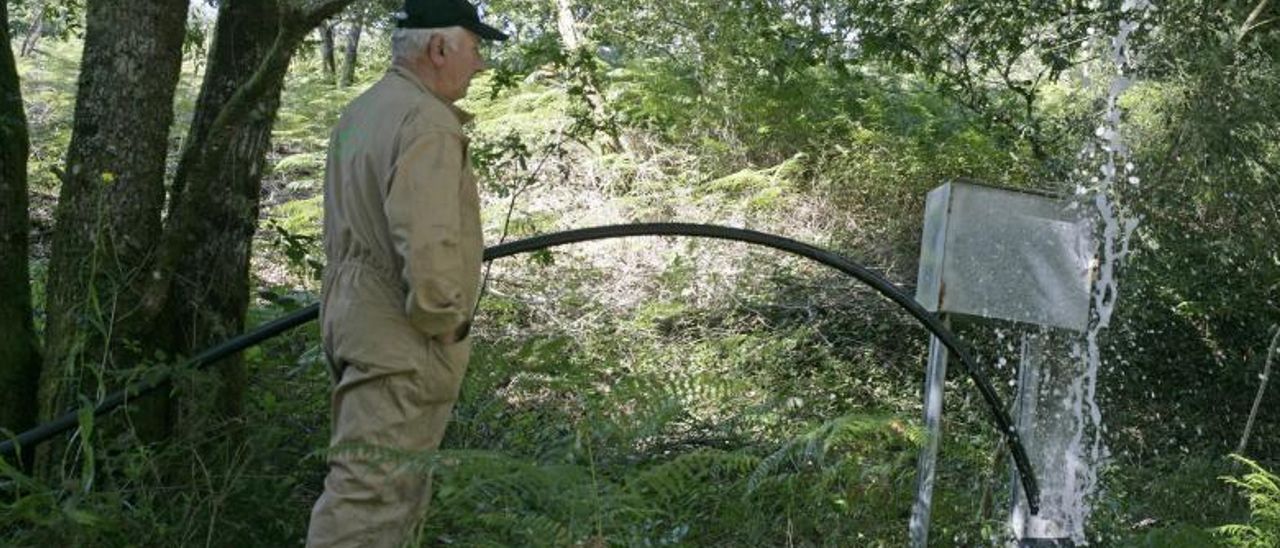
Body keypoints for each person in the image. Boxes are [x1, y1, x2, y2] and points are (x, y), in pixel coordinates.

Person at [306, 1, 506, 546]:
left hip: (349, 313)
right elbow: (426, 236)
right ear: (439, 49)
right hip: (399, 331)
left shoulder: (361, 113)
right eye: (474, 47)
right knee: (369, 502)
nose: (481, 64)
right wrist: (445, 322)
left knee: (381, 484)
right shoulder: (428, 122)